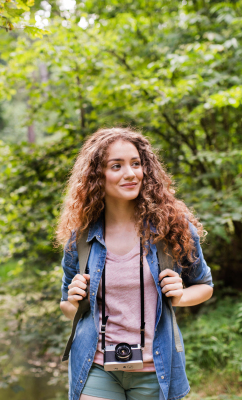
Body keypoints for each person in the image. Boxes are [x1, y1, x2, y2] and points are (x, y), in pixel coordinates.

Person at [57, 127, 214, 400]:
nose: (130, 174)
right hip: (96, 366)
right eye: (116, 166)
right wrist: (73, 300)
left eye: (136, 164)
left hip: (155, 368)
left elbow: (204, 286)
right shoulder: (81, 237)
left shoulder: (172, 229)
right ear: (96, 176)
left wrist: (179, 296)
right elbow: (67, 307)